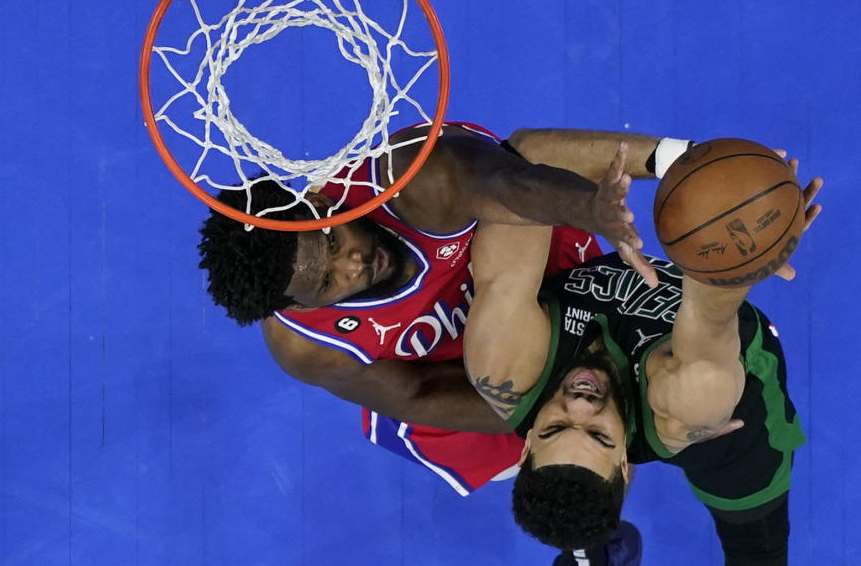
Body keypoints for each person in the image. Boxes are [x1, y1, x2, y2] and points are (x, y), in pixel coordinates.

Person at [197, 122, 685, 493]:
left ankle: (687, 161)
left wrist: (591, 208)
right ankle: (590, 542)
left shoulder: (409, 176)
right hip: (457, 380)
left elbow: (506, 180)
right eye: (326, 281)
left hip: (538, 267)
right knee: (580, 461)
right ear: (297, 306)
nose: (353, 261)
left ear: (316, 201)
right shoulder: (305, 344)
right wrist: (543, 418)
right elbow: (419, 393)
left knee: (618, 414)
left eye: (330, 238)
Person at [463, 144, 822, 562]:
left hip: (657, 393)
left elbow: (527, 157)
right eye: (598, 435)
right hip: (732, 420)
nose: (580, 403)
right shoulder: (692, 400)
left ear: (525, 447)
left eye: (555, 428)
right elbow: (709, 309)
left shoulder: (503, 362)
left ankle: (586, 551)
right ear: (624, 461)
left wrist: (674, 156)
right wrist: (747, 242)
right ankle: (587, 537)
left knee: (575, 501)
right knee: (758, 553)